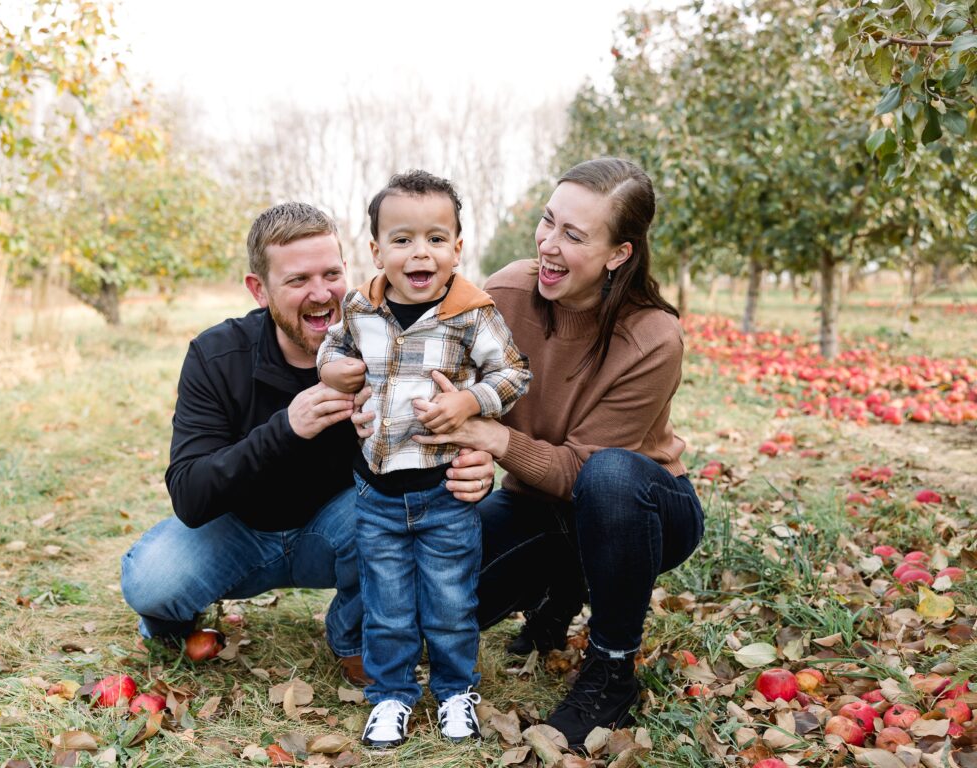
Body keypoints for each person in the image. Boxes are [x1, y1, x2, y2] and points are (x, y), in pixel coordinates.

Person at [119, 202, 494, 687]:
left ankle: (353, 636)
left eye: (331, 273)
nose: (322, 294)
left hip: (342, 528)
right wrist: (285, 429)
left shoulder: (390, 346)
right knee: (153, 580)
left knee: (404, 514)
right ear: (260, 290)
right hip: (238, 530)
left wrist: (473, 471)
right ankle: (174, 623)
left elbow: (442, 449)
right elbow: (190, 494)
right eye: (298, 281)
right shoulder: (216, 355)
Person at [407, 157, 704, 749]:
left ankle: (611, 670)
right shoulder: (507, 294)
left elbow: (581, 469)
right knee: (417, 615)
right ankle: (557, 592)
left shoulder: (652, 337)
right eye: (548, 222)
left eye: (574, 235)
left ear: (619, 253)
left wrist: (493, 440)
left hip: (639, 510)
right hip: (538, 506)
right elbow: (454, 393)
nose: (548, 245)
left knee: (611, 478)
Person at [317, 171, 531, 748]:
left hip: (445, 494)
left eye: (437, 239)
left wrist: (471, 399)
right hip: (377, 494)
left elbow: (514, 372)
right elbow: (333, 349)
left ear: (458, 248)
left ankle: (457, 690)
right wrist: (332, 370)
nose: (421, 252)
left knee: (450, 602)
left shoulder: (472, 314)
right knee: (386, 606)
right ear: (377, 250)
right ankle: (390, 696)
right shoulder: (361, 308)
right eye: (403, 239)